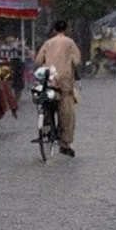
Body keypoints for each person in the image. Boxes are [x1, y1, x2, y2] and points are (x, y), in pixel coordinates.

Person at [35, 20, 81, 157]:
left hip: (48, 81)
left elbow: (38, 61)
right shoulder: (70, 43)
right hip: (64, 83)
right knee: (67, 113)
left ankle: (47, 126)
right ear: (66, 30)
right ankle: (65, 144)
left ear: (54, 30)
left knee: (47, 104)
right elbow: (77, 61)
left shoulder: (48, 43)